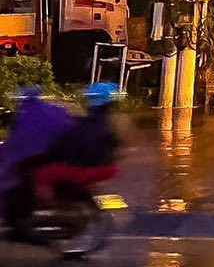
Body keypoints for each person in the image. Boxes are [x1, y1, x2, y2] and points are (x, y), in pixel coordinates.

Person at [1, 84, 123, 234]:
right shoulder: (97, 120)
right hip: (95, 164)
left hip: (88, 165)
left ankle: (32, 215)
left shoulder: (93, 122)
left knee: (40, 174)